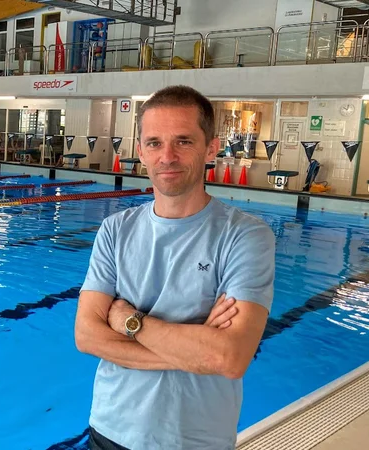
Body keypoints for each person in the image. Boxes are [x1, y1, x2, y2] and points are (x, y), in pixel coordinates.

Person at [74, 85, 275, 450]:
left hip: (194, 441)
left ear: (211, 148)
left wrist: (126, 321)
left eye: (183, 141)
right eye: (154, 143)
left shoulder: (246, 235)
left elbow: (227, 358)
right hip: (108, 430)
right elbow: (86, 337)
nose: (167, 156)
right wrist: (193, 352)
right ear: (140, 151)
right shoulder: (115, 230)